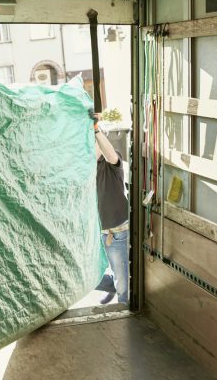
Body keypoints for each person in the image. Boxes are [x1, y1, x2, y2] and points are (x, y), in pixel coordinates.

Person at [93, 117, 129, 305]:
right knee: (88, 275)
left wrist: (96, 130)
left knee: (124, 286)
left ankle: (124, 310)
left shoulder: (111, 165)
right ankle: (112, 286)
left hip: (117, 232)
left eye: (94, 142)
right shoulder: (85, 169)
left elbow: (110, 155)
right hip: (98, 232)